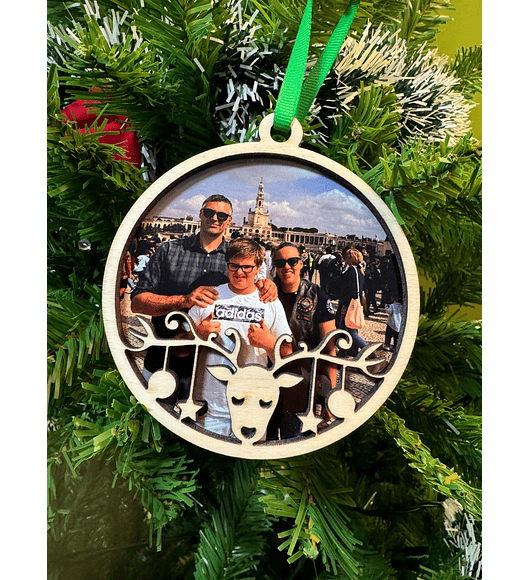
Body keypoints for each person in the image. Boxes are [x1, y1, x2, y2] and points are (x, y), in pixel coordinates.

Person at [130, 194, 277, 386]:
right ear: (200, 214)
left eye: (222, 216)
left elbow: (253, 293)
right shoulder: (168, 251)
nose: (215, 218)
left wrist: (267, 285)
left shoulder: (237, 260)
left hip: (213, 374)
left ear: (229, 221)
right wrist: (184, 300)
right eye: (209, 212)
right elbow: (137, 303)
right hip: (164, 360)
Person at [187, 238, 293, 436]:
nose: (239, 272)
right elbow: (179, 349)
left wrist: (269, 344)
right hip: (209, 408)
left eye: (247, 267)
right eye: (233, 266)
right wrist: (197, 334)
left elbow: (288, 355)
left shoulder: (270, 301)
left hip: (252, 409)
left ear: (259, 267)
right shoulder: (210, 297)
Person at [267, 242, 338, 440]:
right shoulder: (267, 292)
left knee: (294, 440)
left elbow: (330, 348)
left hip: (303, 382)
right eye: (280, 262)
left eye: (292, 261)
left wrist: (330, 395)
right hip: (269, 377)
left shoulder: (317, 295)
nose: (286, 267)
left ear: (301, 263)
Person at [336, 248, 367, 358]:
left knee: (350, 331)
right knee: (350, 328)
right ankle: (349, 350)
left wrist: (344, 305)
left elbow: (350, 290)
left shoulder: (351, 271)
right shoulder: (359, 270)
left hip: (350, 303)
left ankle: (368, 351)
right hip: (354, 301)